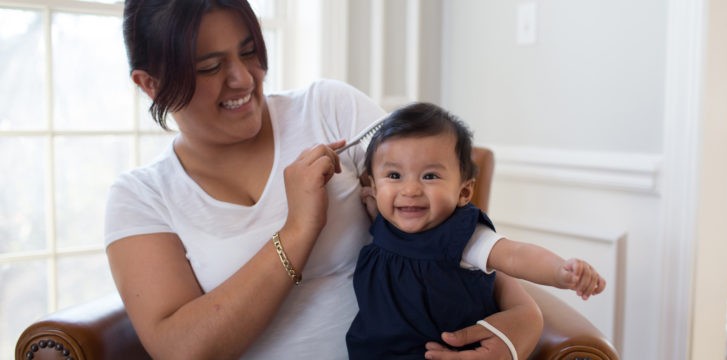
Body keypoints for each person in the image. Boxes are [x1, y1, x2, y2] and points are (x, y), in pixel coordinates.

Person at [105, 1, 541, 359]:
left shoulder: (329, 109)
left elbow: (445, 229)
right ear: (150, 84)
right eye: (209, 66)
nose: (243, 78)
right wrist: (298, 230)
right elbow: (182, 350)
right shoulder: (141, 198)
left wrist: (524, 314)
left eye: (249, 51)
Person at [346, 102, 607, 359]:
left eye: (429, 176)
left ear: (464, 192)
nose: (410, 190)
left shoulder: (464, 237)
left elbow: (515, 254)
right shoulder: (382, 218)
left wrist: (560, 271)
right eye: (394, 176)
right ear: (375, 186)